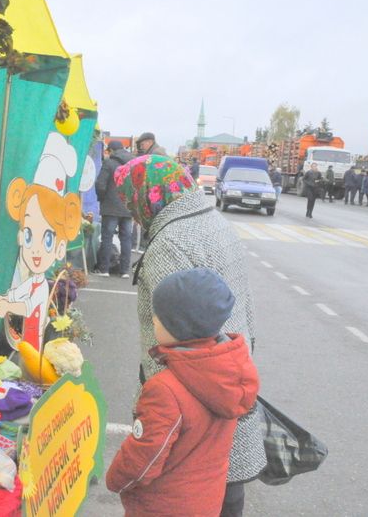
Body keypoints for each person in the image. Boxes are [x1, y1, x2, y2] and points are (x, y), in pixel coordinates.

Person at [114, 155, 265, 516]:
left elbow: (179, 335)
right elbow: (243, 303)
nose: (131, 212)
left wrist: (158, 412)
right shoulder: (212, 220)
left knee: (196, 493)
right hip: (225, 378)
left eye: (130, 200)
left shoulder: (170, 242)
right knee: (225, 493)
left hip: (191, 411)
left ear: (147, 195)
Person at [106, 268, 259, 516]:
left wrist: (115, 479)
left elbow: (144, 458)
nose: (154, 320)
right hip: (205, 501)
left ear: (179, 326)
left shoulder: (165, 390)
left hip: (163, 506)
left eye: (159, 317)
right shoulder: (227, 374)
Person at [0, 178, 81, 350]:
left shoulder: (43, 287)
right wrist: (4, 298)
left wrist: (7, 305)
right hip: (24, 339)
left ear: (60, 247)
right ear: (21, 237)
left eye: (47, 240)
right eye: (29, 235)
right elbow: (18, 293)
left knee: (30, 366)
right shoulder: (34, 280)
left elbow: (28, 308)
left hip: (34, 340)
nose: (36, 250)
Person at [94, 141, 134, 278]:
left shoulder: (109, 163)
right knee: (126, 239)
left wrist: (102, 199)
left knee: (107, 237)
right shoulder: (134, 163)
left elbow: (100, 184)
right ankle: (124, 271)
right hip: (129, 207)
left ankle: (104, 269)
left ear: (111, 150)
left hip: (110, 207)